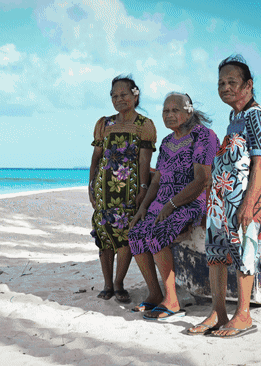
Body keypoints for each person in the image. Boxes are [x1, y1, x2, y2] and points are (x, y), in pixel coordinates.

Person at [188, 54, 261, 337]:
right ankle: (218, 312)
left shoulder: (258, 116)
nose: (225, 87)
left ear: (248, 85)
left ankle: (243, 316)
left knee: (244, 253)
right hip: (220, 201)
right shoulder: (234, 116)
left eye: (232, 82)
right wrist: (212, 204)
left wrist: (249, 204)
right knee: (216, 254)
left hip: (243, 201)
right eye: (221, 82)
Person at [128, 92, 219, 319]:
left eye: (175, 110)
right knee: (136, 233)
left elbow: (201, 180)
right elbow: (157, 180)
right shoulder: (168, 142)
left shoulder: (204, 137)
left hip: (191, 202)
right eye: (165, 110)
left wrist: (171, 205)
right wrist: (143, 208)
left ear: (189, 111)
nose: (169, 115)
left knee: (158, 233)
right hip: (163, 203)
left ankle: (172, 301)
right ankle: (155, 294)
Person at [89, 75, 157, 304]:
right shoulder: (104, 124)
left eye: (124, 95)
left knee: (126, 237)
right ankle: (107, 284)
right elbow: (96, 158)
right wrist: (91, 186)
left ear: (135, 95)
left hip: (130, 192)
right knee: (104, 235)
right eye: (114, 96)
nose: (119, 99)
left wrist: (143, 189)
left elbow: (144, 162)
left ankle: (119, 283)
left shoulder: (144, 125)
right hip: (103, 193)